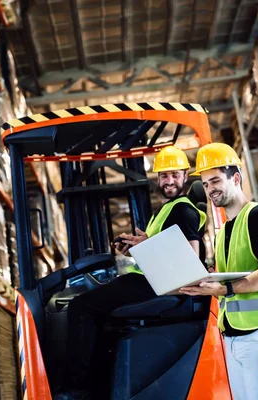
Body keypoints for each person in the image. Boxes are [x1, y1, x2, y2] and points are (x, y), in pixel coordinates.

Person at [55, 146, 206, 400]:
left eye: (175, 175)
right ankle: (99, 385)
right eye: (164, 175)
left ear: (185, 175)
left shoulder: (184, 210)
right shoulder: (166, 210)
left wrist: (145, 246)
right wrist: (135, 247)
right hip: (151, 278)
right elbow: (164, 250)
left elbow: (188, 261)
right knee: (100, 316)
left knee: (81, 307)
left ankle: (77, 388)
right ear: (158, 178)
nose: (169, 181)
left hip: (157, 284)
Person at [180, 143, 258, 400]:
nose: (210, 189)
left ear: (235, 178)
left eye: (215, 180)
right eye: (205, 184)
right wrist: (205, 285)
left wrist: (225, 288)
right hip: (236, 336)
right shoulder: (224, 231)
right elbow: (231, 279)